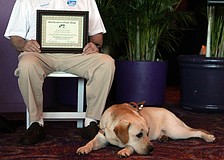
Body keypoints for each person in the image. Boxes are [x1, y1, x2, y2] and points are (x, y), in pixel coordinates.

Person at [4, 0, 115, 145]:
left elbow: (97, 34)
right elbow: (15, 38)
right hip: (39, 54)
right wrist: (25, 45)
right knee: (26, 65)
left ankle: (92, 122)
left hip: (77, 55)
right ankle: (36, 124)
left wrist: (95, 45)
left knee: (106, 63)